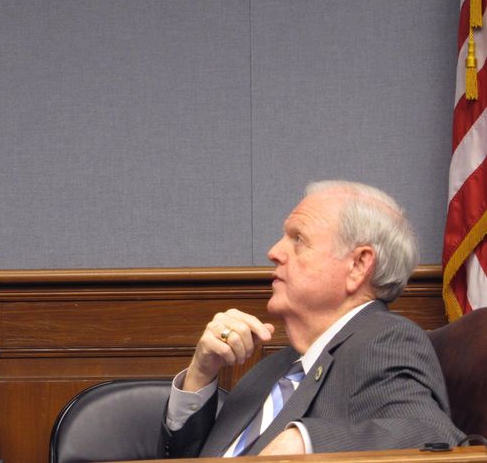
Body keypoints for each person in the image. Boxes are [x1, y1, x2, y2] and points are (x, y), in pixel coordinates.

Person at [162, 180, 462, 457]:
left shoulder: (386, 340)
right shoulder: (270, 370)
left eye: (298, 239)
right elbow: (184, 459)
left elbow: (433, 434)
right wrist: (200, 373)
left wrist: (304, 440)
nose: (273, 252)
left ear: (358, 265)